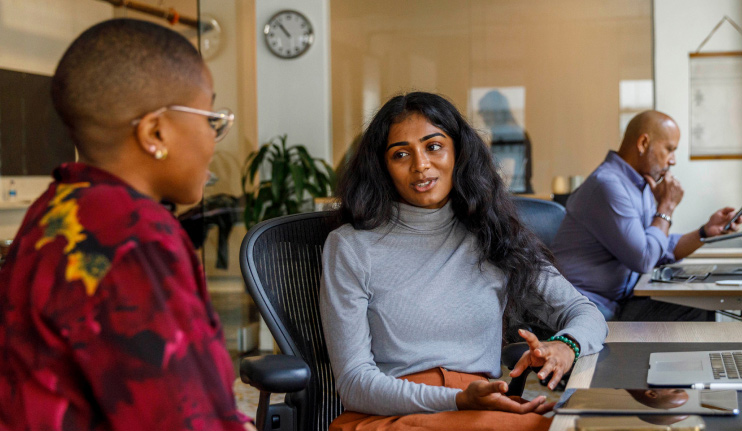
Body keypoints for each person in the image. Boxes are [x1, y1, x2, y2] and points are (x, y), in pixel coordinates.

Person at [0, 19, 256, 430]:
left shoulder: (56, 208)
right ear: (156, 131)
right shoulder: (133, 237)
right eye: (210, 119)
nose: (213, 138)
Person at [319, 92, 607, 431]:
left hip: (479, 410)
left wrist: (566, 346)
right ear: (383, 168)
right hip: (391, 415)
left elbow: (585, 312)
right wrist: (455, 399)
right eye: (400, 154)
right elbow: (354, 383)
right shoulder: (351, 247)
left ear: (459, 151)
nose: (420, 165)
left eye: (434, 146)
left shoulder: (494, 234)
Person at [551, 110, 741, 321]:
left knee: (698, 305)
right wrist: (666, 207)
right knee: (695, 309)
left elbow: (659, 249)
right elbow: (644, 259)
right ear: (643, 143)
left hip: (619, 301)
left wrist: (706, 231)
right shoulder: (607, 185)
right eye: (669, 149)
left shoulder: (638, 184)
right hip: (588, 308)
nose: (673, 161)